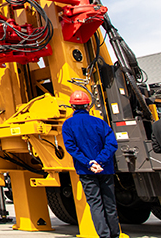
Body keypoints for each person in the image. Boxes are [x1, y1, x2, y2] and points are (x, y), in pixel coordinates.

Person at [62, 90, 120, 238]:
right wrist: (100, 161)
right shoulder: (100, 122)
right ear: (88, 105)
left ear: (72, 106)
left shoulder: (68, 125)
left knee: (95, 204)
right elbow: (112, 144)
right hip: (105, 169)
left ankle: (104, 235)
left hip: (86, 171)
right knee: (110, 204)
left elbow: (71, 148)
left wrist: (89, 163)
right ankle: (115, 235)